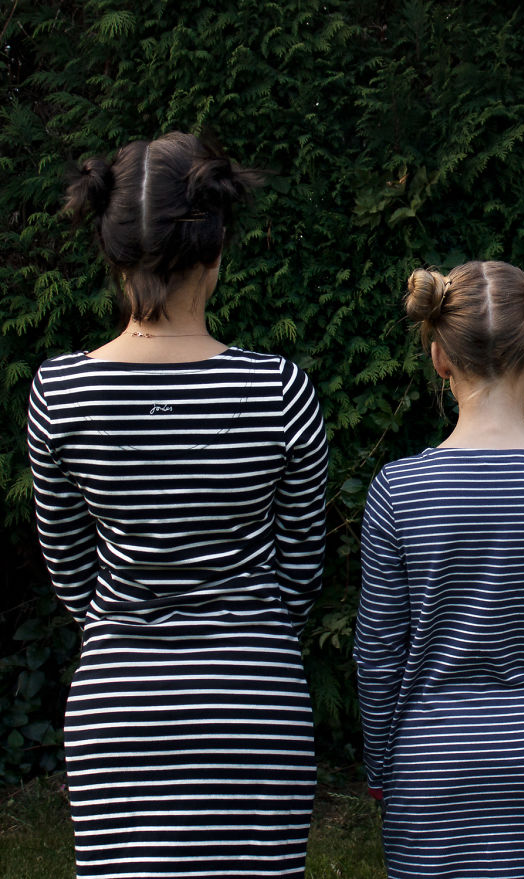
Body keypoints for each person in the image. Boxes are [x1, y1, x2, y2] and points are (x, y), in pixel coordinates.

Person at [27, 132, 328, 879]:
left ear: (110, 248)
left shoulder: (59, 393)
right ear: (216, 245)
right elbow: (301, 566)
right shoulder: (279, 390)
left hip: (120, 707)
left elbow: (70, 569)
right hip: (253, 702)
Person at [353, 260, 524, 879]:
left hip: (431, 765)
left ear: (438, 358)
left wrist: (380, 769)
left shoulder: (399, 490)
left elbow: (378, 653)